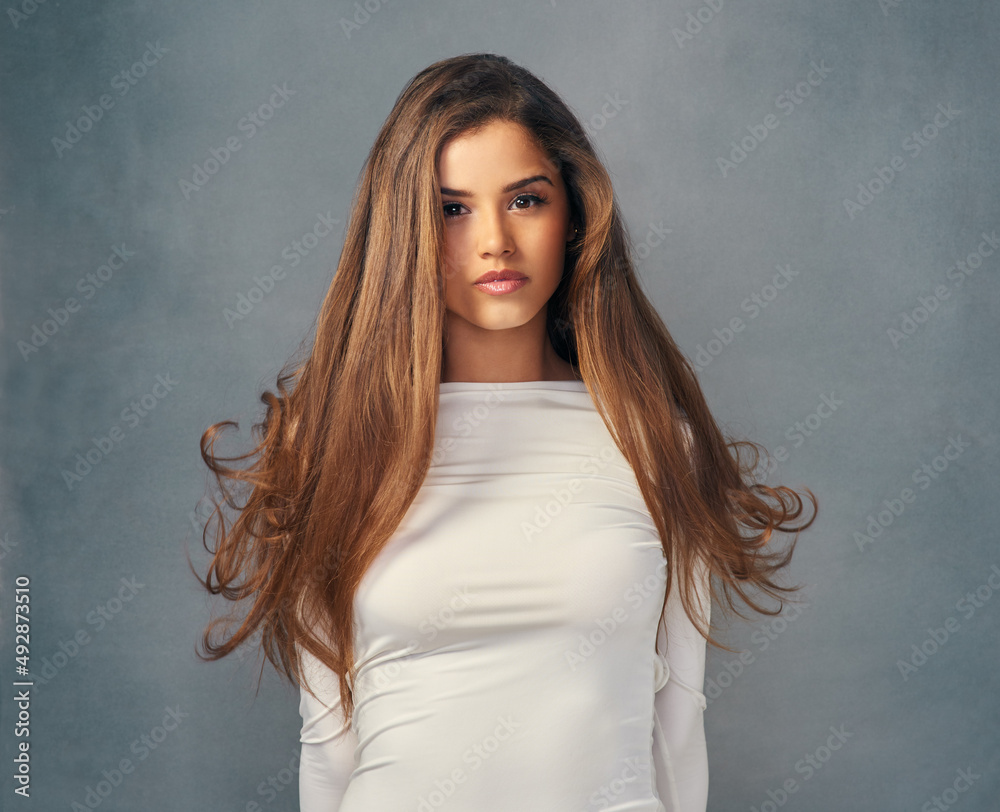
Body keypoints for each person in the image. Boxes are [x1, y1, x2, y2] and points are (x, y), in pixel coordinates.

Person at [195, 53, 816, 812]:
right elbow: (328, 744)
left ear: (573, 213)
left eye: (525, 200)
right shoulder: (333, 448)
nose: (494, 240)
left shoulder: (657, 443)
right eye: (452, 209)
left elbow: (679, 723)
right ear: (406, 233)